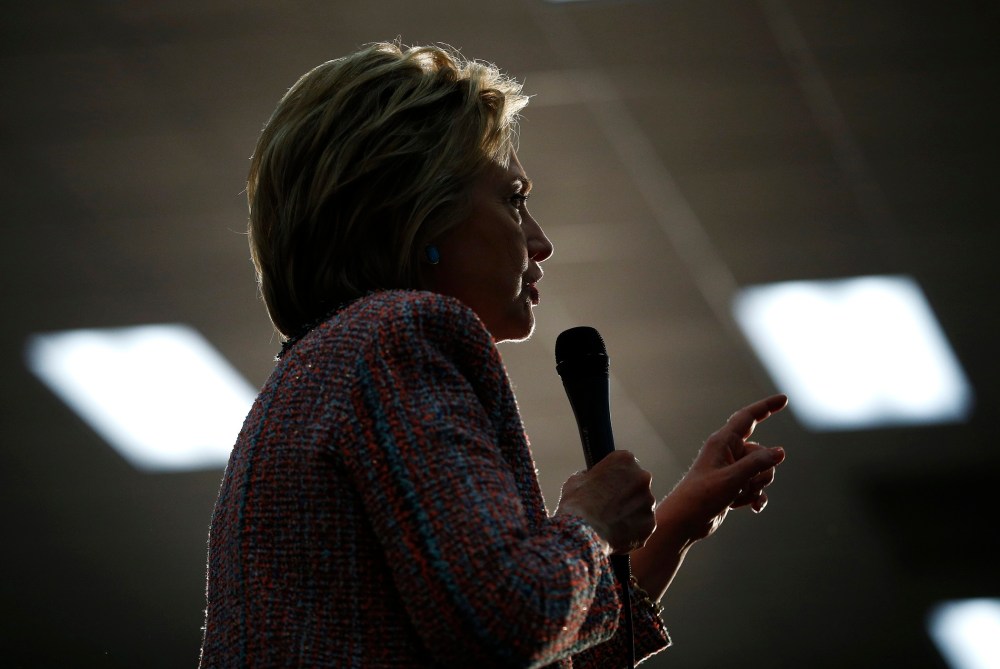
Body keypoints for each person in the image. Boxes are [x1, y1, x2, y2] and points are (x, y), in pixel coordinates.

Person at [199, 41, 788, 668]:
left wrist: (675, 520)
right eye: (513, 199)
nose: (541, 242)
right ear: (417, 212)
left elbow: (531, 647)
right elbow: (508, 622)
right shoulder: (399, 336)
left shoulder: (322, 368)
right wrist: (588, 519)